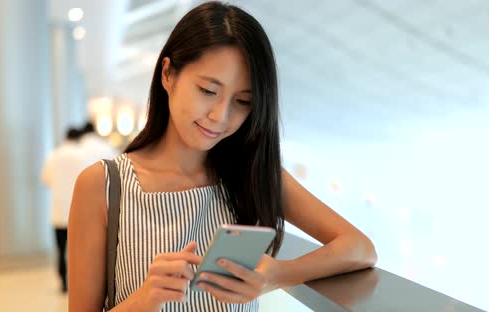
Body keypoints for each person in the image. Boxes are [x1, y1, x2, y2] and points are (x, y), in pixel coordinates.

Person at [68, 2, 377, 311]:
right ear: (167, 74)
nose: (220, 116)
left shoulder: (253, 175)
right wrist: (145, 297)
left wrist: (279, 274)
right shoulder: (103, 185)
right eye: (207, 90)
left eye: (242, 101)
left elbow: (360, 248)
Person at [41, 127, 87, 293]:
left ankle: (63, 282)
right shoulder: (83, 155)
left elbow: (45, 179)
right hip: (79, 210)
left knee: (61, 250)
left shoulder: (54, 155)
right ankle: (80, 284)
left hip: (59, 210)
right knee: (81, 251)